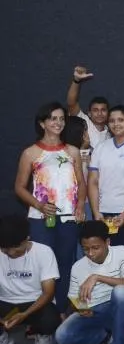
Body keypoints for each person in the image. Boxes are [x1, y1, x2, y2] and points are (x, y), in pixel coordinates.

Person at [14, 102, 87, 312]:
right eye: (53, 119)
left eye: (61, 119)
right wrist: (39, 205)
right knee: (42, 267)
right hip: (40, 219)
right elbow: (19, 187)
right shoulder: (31, 153)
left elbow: (81, 183)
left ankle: (61, 311)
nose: (58, 123)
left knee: (65, 264)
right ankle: (40, 319)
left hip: (68, 219)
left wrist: (81, 205)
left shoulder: (72, 151)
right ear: (42, 123)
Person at [55, 221, 124, 344]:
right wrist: (82, 308)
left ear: (107, 242)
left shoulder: (122, 252)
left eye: (95, 248)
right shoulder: (78, 266)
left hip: (120, 307)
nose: (90, 253)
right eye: (85, 249)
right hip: (94, 311)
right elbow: (74, 297)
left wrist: (97, 277)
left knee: (121, 291)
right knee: (61, 336)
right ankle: (103, 338)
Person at [0, 214, 60, 344]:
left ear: (27, 238)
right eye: (5, 249)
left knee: (50, 319)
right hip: (5, 302)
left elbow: (48, 293)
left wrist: (24, 314)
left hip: (36, 302)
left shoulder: (43, 252)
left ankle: (43, 335)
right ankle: (2, 337)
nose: (11, 253)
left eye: (15, 247)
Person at [87, 105, 124, 247]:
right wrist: (96, 212)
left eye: (121, 120)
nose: (116, 124)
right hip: (103, 214)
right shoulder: (101, 147)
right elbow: (93, 181)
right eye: (112, 120)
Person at [66, 65, 110, 150]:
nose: (99, 113)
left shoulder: (112, 132)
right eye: (95, 110)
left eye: (103, 110)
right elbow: (71, 103)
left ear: (108, 113)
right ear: (89, 113)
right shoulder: (84, 122)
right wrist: (77, 80)